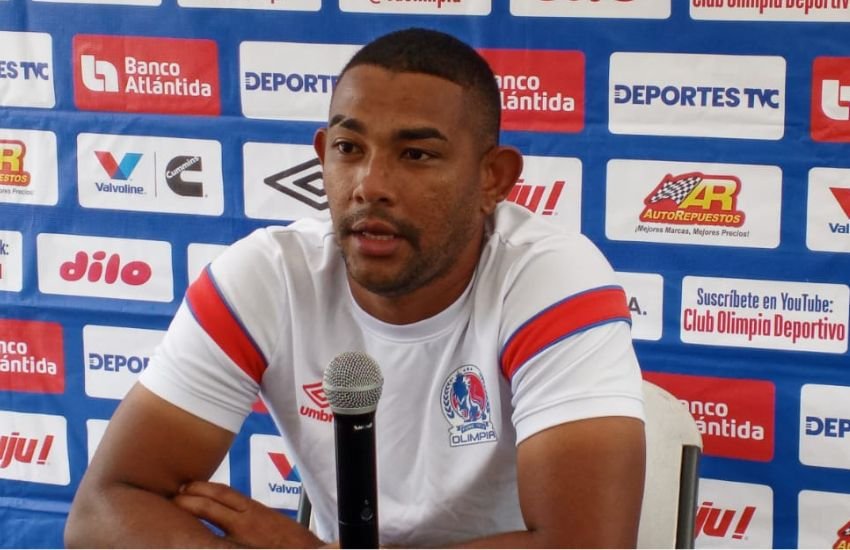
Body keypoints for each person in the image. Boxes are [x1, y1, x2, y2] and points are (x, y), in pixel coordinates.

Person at [64, 27, 646, 548]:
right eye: (349, 149)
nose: (371, 185)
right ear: (323, 157)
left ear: (491, 179)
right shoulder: (268, 275)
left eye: (416, 154)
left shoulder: (551, 279)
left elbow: (588, 545)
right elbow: (101, 510)